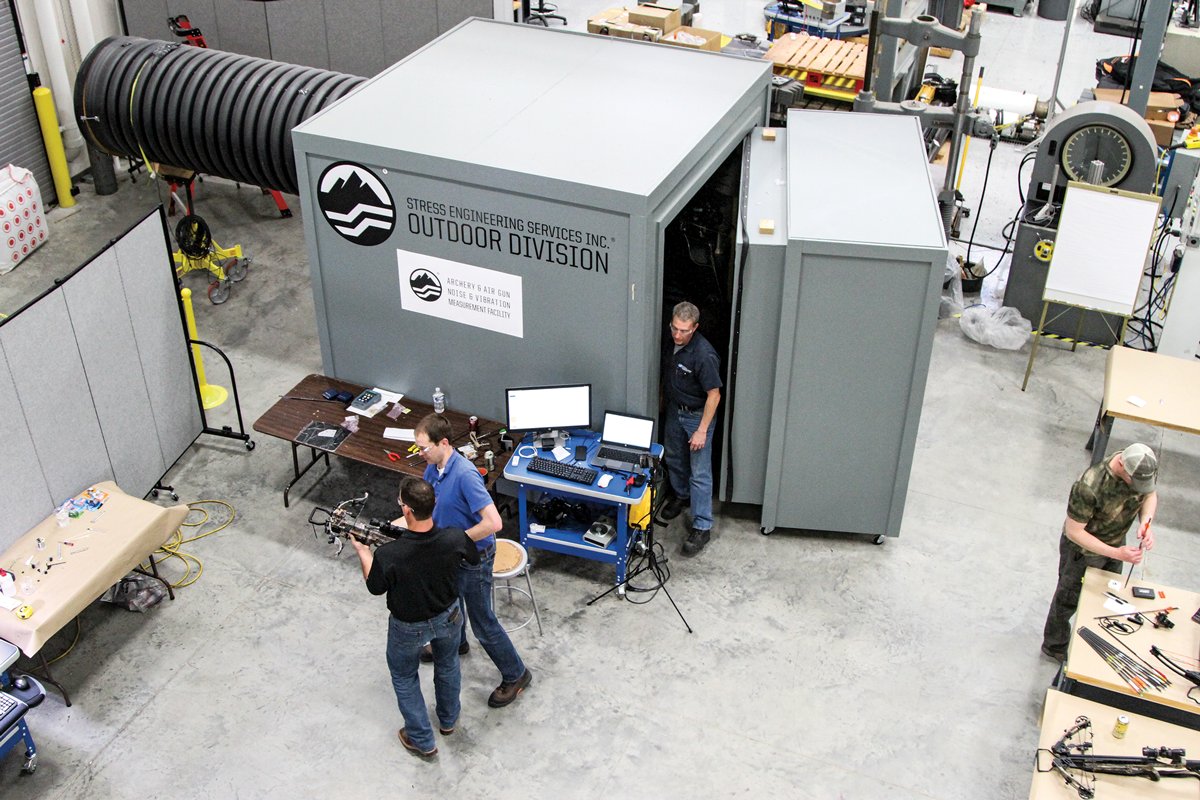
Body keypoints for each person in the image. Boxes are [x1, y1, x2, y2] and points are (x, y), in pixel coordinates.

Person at [350, 476, 479, 758]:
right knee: (448, 663)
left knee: (404, 676)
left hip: (408, 626)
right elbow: (473, 559)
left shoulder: (389, 554)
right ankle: (448, 720)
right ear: (434, 504)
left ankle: (421, 739)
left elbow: (375, 587)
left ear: (406, 510)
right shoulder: (455, 537)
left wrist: (363, 552)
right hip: (448, 615)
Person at [414, 413, 533, 707]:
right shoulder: (433, 468)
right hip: (450, 554)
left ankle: (516, 673)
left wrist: (456, 540)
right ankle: (458, 643)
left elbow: (493, 523)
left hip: (473, 557)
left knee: (483, 621)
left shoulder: (465, 475)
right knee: (450, 603)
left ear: (443, 443)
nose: (420, 453)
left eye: (424, 447)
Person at [1041, 443, 1159, 663]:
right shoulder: (1089, 485)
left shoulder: (1143, 468)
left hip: (1115, 546)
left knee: (1106, 597)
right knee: (1068, 599)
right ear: (1121, 464)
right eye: (1134, 482)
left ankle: (1094, 645)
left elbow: (1150, 494)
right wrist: (1117, 553)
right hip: (1082, 552)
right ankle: (1054, 645)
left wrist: (1146, 522)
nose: (1138, 487)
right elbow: (1074, 532)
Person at [658, 301, 722, 556]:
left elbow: (714, 395)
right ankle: (681, 495)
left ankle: (702, 526)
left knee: (700, 472)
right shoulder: (670, 342)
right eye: (674, 328)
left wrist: (702, 430)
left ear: (695, 328)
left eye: (684, 330)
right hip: (675, 410)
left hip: (697, 416)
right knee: (673, 456)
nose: (677, 334)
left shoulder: (704, 355)